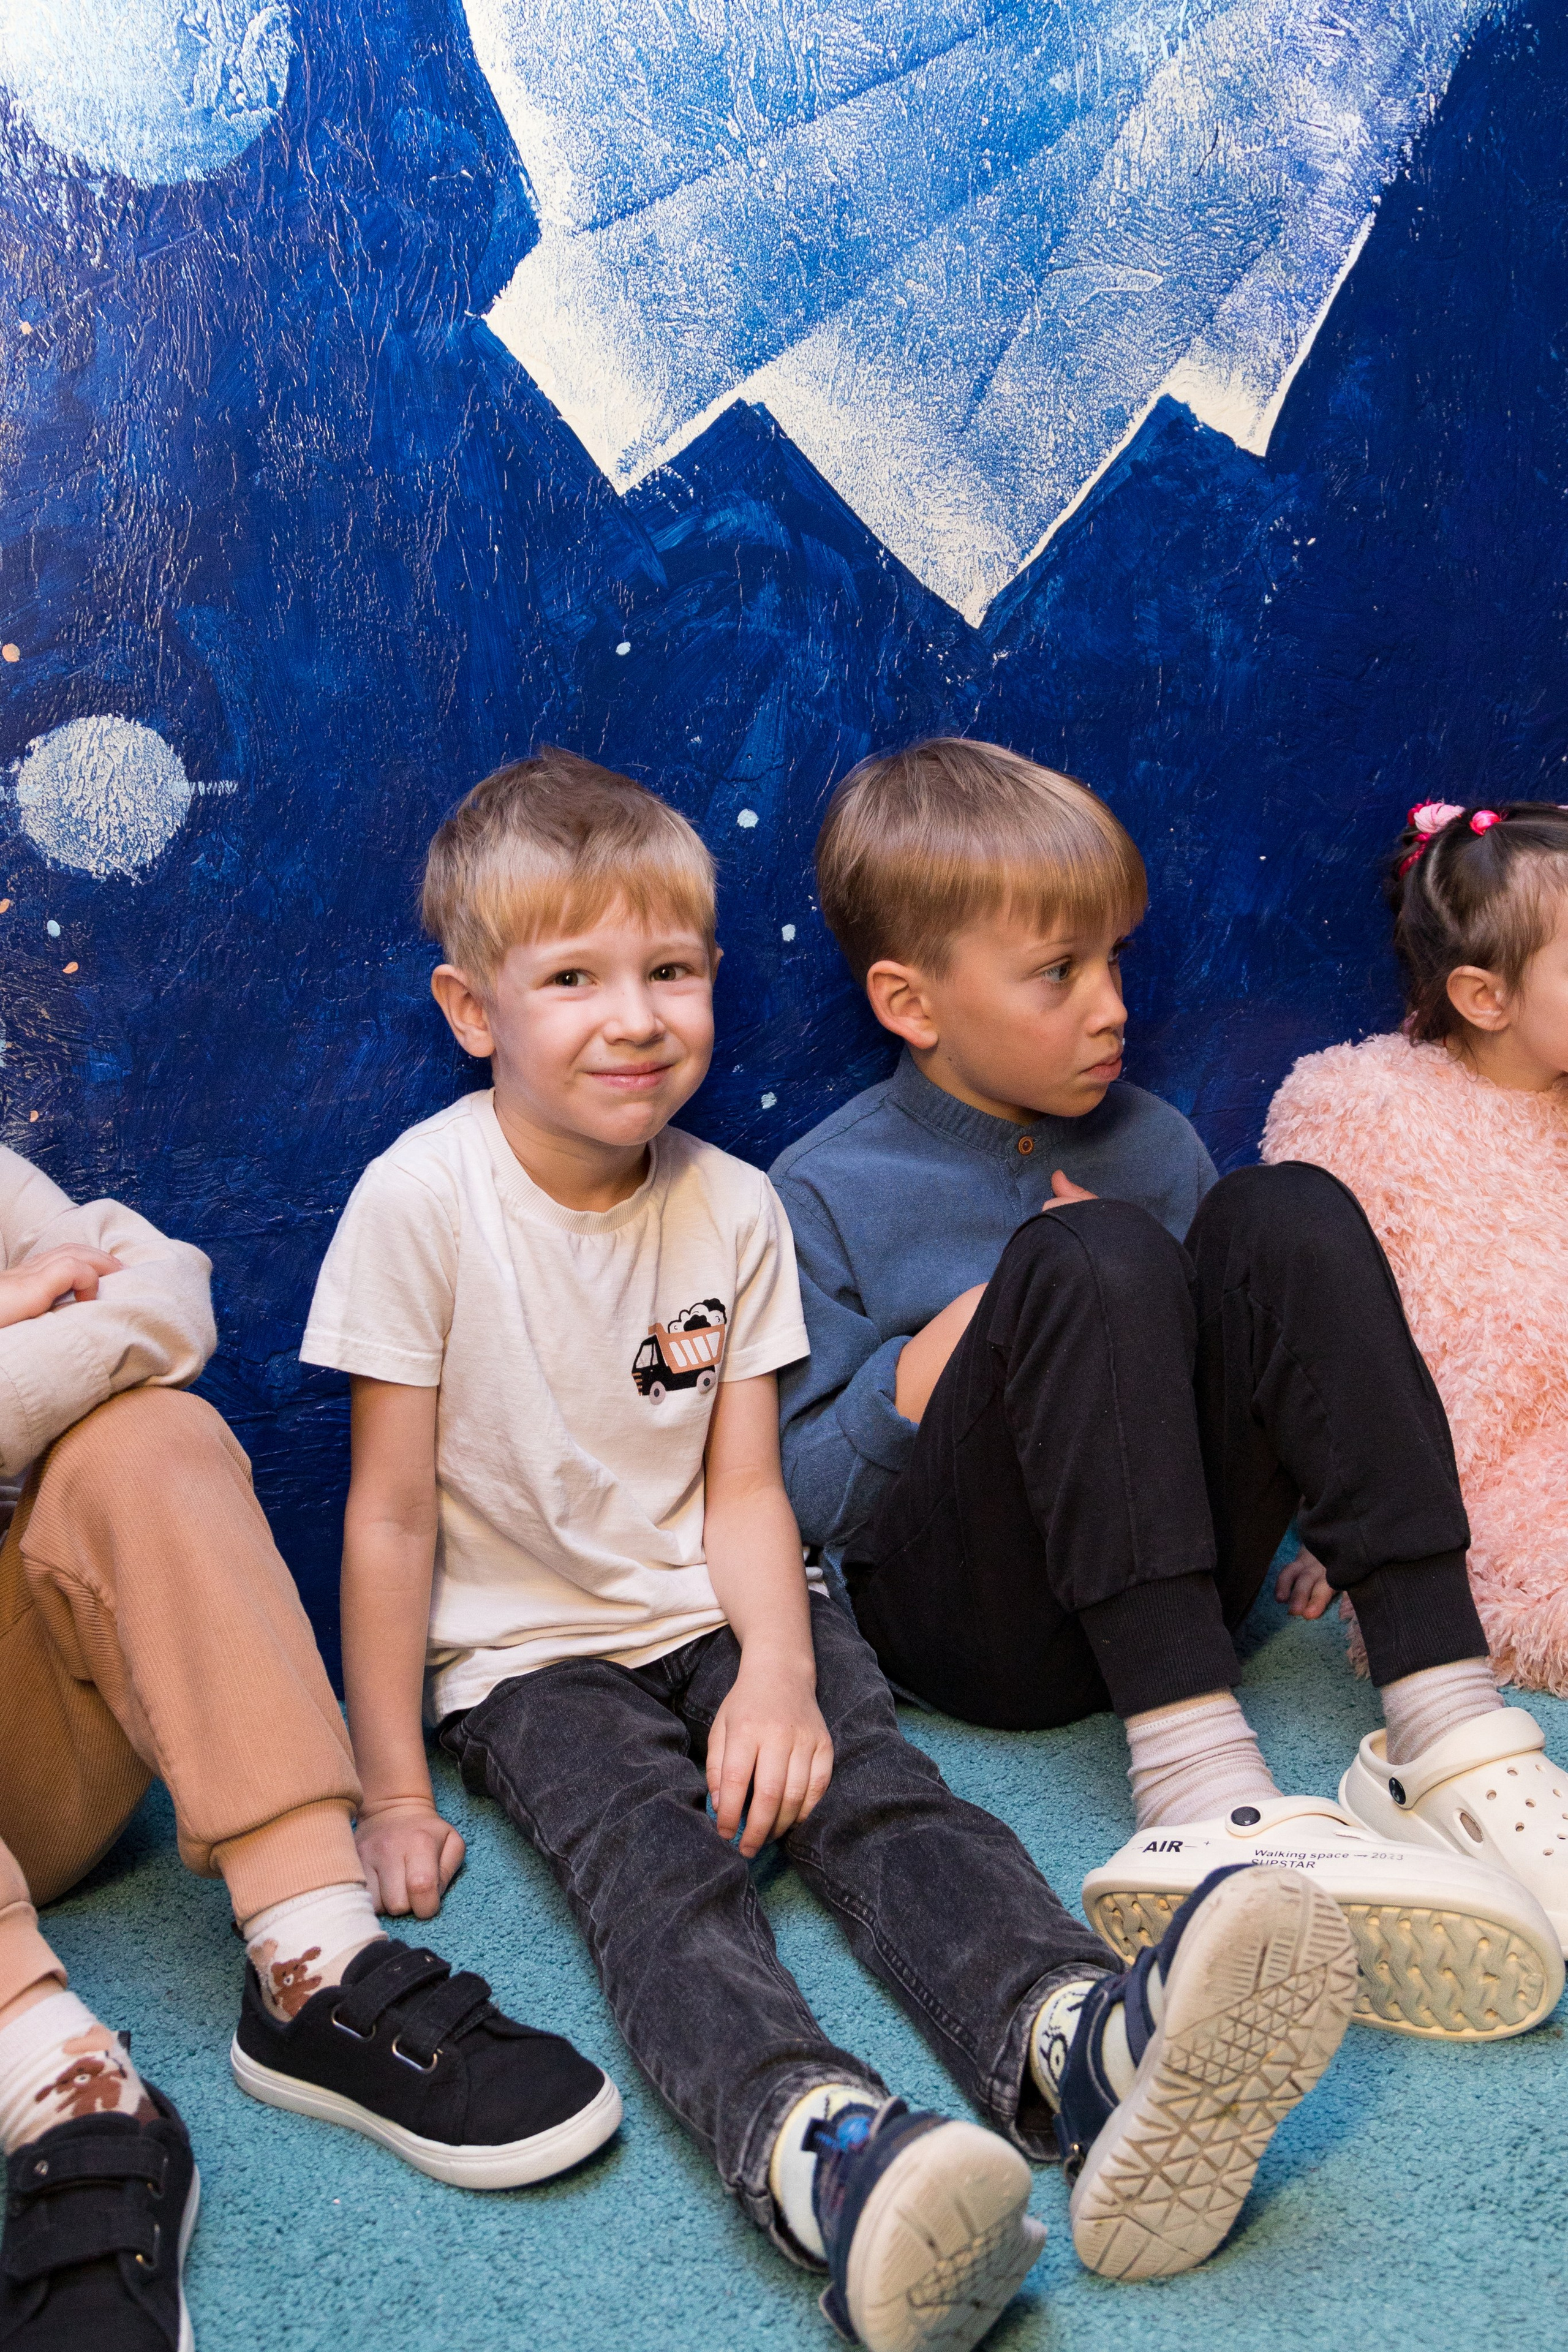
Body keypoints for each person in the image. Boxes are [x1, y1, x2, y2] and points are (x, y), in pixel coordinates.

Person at [301, 747, 1364, 2352]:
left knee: (883, 1800)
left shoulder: (736, 1208)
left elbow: (749, 1497)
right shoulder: (418, 1203)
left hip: (740, 1600)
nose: (636, 1015)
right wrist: (388, 1789)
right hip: (532, 1653)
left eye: (670, 970)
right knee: (660, 1872)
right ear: (474, 1012)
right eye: (574, 977)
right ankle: (826, 2150)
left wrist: (786, 1677)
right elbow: (383, 1515)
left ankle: (1079, 2039)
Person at [770, 738, 1567, 2013]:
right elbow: (805, 1505)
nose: (1109, 1006)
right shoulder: (819, 1190)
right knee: (1086, 1254)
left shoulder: (1151, 1137)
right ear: (910, 1004)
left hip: (1187, 1584)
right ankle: (1196, 1788)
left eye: (1112, 961)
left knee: (1289, 1206)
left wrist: (1321, 1518)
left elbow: (1230, 1385)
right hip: (987, 1637)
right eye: (1056, 975)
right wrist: (967, 1332)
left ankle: (1447, 1728)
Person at [0, 1152, 619, 2352]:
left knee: (151, 1435)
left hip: (41, 1762)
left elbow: (162, 1293)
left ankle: (313, 1963)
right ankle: (59, 2089)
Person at [1263, 798, 1568, 1853]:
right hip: (1463, 1492)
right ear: (1484, 996)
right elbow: (1311, 1338)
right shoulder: (1365, 1110)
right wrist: (1328, 1522)